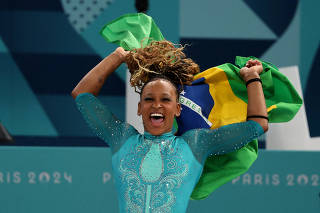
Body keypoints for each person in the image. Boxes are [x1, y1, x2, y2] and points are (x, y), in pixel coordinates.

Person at [71, 41, 268, 213]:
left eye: (165, 99)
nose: (157, 105)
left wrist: (251, 77)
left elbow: (257, 126)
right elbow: (81, 95)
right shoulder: (122, 138)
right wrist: (118, 56)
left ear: (178, 109)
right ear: (139, 108)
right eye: (149, 99)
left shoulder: (196, 143)